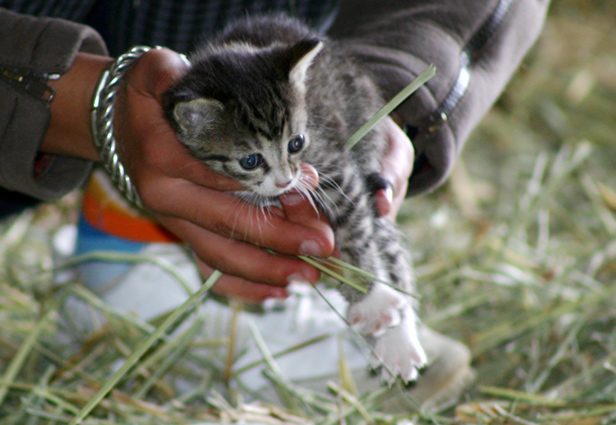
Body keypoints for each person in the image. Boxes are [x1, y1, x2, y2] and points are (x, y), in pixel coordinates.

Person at [0, 0, 550, 410]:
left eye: (291, 150)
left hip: (288, 75)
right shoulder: (201, 115)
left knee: (359, 209)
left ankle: (385, 303)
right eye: (255, 164)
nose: (287, 175)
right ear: (194, 122)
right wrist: (78, 104)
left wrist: (390, 86)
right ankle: (133, 249)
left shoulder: (295, 105)